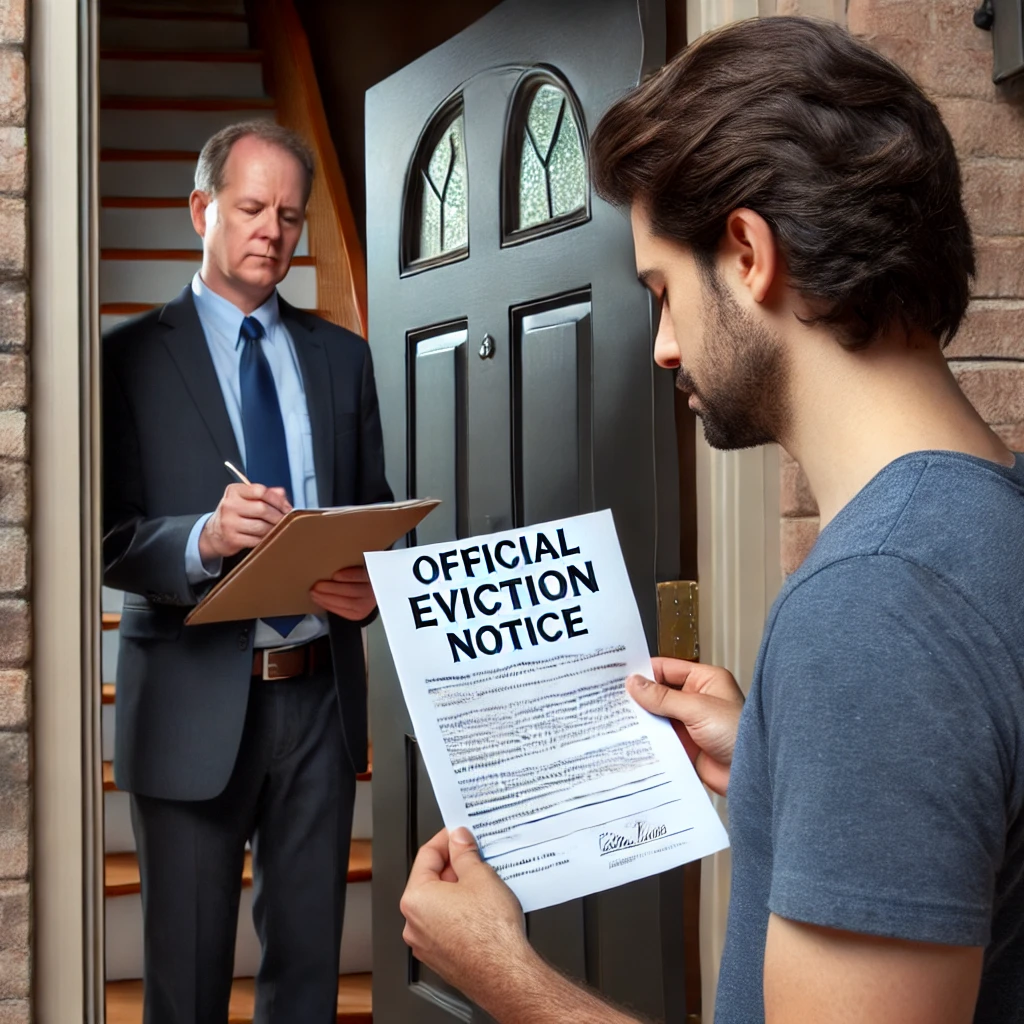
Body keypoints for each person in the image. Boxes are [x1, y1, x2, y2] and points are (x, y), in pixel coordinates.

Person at [398, 17, 1024, 1024]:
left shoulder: (874, 613)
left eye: (661, 291)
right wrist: (775, 754)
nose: (662, 346)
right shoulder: (987, 524)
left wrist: (500, 973)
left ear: (745, 253)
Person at [102, 121, 392, 1023]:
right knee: (184, 989)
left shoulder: (343, 357)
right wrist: (204, 538)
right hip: (191, 708)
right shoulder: (125, 358)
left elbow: (374, 514)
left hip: (317, 708)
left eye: (291, 216)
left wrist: (375, 583)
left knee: (305, 984)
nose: (272, 230)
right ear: (202, 210)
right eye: (252, 207)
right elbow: (107, 539)